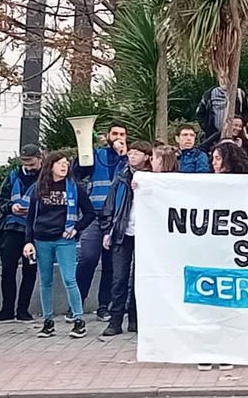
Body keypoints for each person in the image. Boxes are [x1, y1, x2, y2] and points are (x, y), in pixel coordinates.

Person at [24, 152, 95, 339]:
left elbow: (89, 213)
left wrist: (76, 228)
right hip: (42, 240)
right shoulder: (38, 187)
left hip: (65, 240)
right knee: (45, 282)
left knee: (69, 280)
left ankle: (79, 320)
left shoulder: (74, 187)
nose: (64, 167)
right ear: (51, 166)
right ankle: (48, 322)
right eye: (60, 163)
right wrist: (29, 241)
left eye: (66, 164)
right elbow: (31, 217)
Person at [73, 123, 127, 323]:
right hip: (96, 215)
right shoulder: (97, 155)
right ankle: (76, 303)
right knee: (87, 258)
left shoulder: (129, 157)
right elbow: (78, 173)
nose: (118, 137)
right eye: (115, 133)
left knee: (111, 265)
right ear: (108, 136)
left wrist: (123, 156)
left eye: (122, 134)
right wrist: (82, 154)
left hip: (117, 217)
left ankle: (104, 305)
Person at [100, 141, 152, 337]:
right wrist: (107, 231)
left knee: (140, 278)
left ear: (147, 157)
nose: (132, 157)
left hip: (145, 236)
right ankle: (115, 320)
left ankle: (135, 318)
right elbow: (109, 206)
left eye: (137, 154)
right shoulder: (121, 177)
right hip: (122, 232)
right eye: (130, 153)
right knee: (119, 278)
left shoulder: (154, 178)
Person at [0, 145, 42, 323]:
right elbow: (0, 201)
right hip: (12, 228)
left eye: (32, 163)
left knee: (30, 270)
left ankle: (23, 310)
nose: (28, 166)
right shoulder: (12, 176)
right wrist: (11, 207)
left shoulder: (45, 179)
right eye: (25, 162)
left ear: (40, 159)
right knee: (8, 269)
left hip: (34, 230)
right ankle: (7, 309)